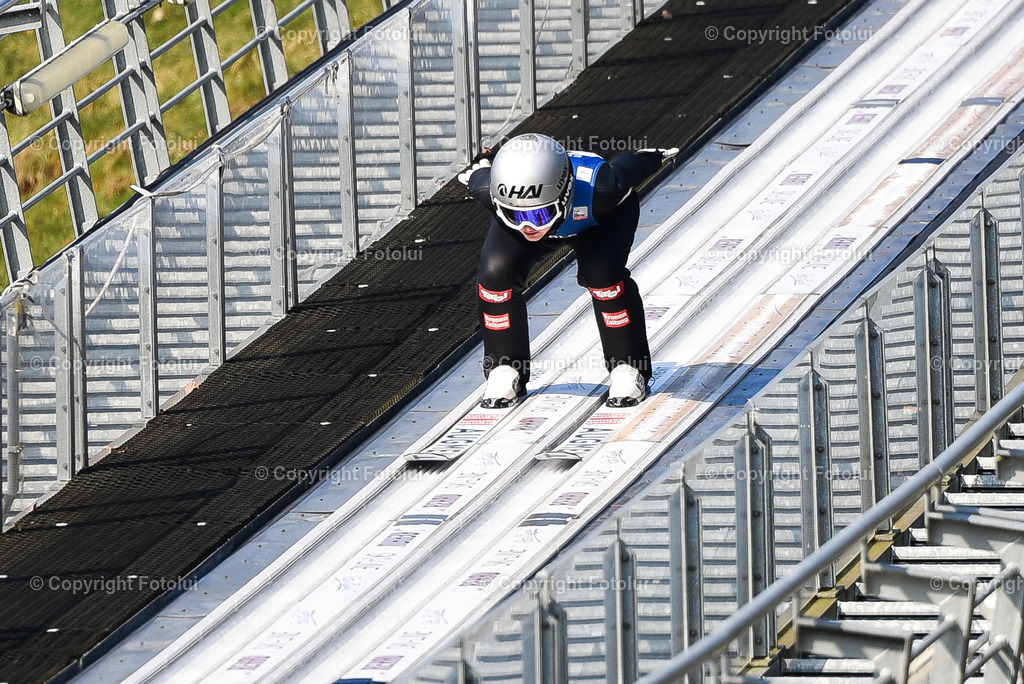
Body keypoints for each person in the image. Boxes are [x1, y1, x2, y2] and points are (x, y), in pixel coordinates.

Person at [458, 132, 677, 409]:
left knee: (603, 276)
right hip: (559, 211)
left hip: (599, 221)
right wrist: (484, 173)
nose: (529, 227)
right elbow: (481, 177)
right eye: (516, 215)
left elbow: (630, 166)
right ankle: (505, 367)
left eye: (538, 215)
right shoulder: (487, 192)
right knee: (494, 278)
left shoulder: (604, 188)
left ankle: (628, 366)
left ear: (564, 194)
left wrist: (653, 156)